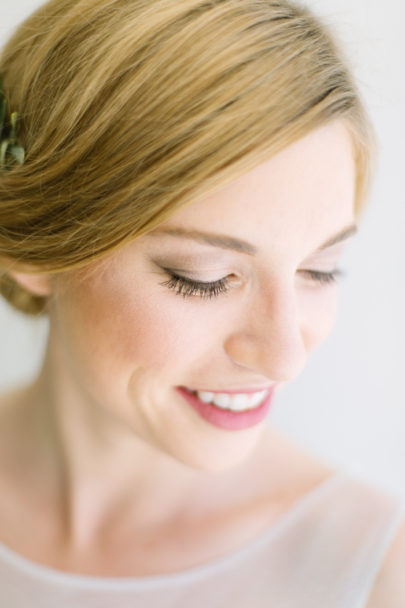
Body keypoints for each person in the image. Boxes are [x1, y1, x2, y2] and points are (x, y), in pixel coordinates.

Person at [0, 0, 403, 605]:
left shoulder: (371, 574)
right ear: (35, 249)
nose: (284, 358)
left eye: (320, 270)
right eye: (205, 278)